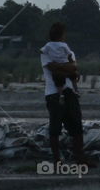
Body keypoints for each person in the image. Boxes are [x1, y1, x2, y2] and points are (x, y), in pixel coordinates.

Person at [40, 22, 85, 166]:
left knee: (77, 125)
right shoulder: (46, 52)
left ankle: (80, 158)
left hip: (69, 92)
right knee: (55, 127)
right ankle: (57, 159)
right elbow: (61, 68)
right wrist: (68, 69)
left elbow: (73, 68)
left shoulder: (66, 51)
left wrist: (63, 68)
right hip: (53, 94)